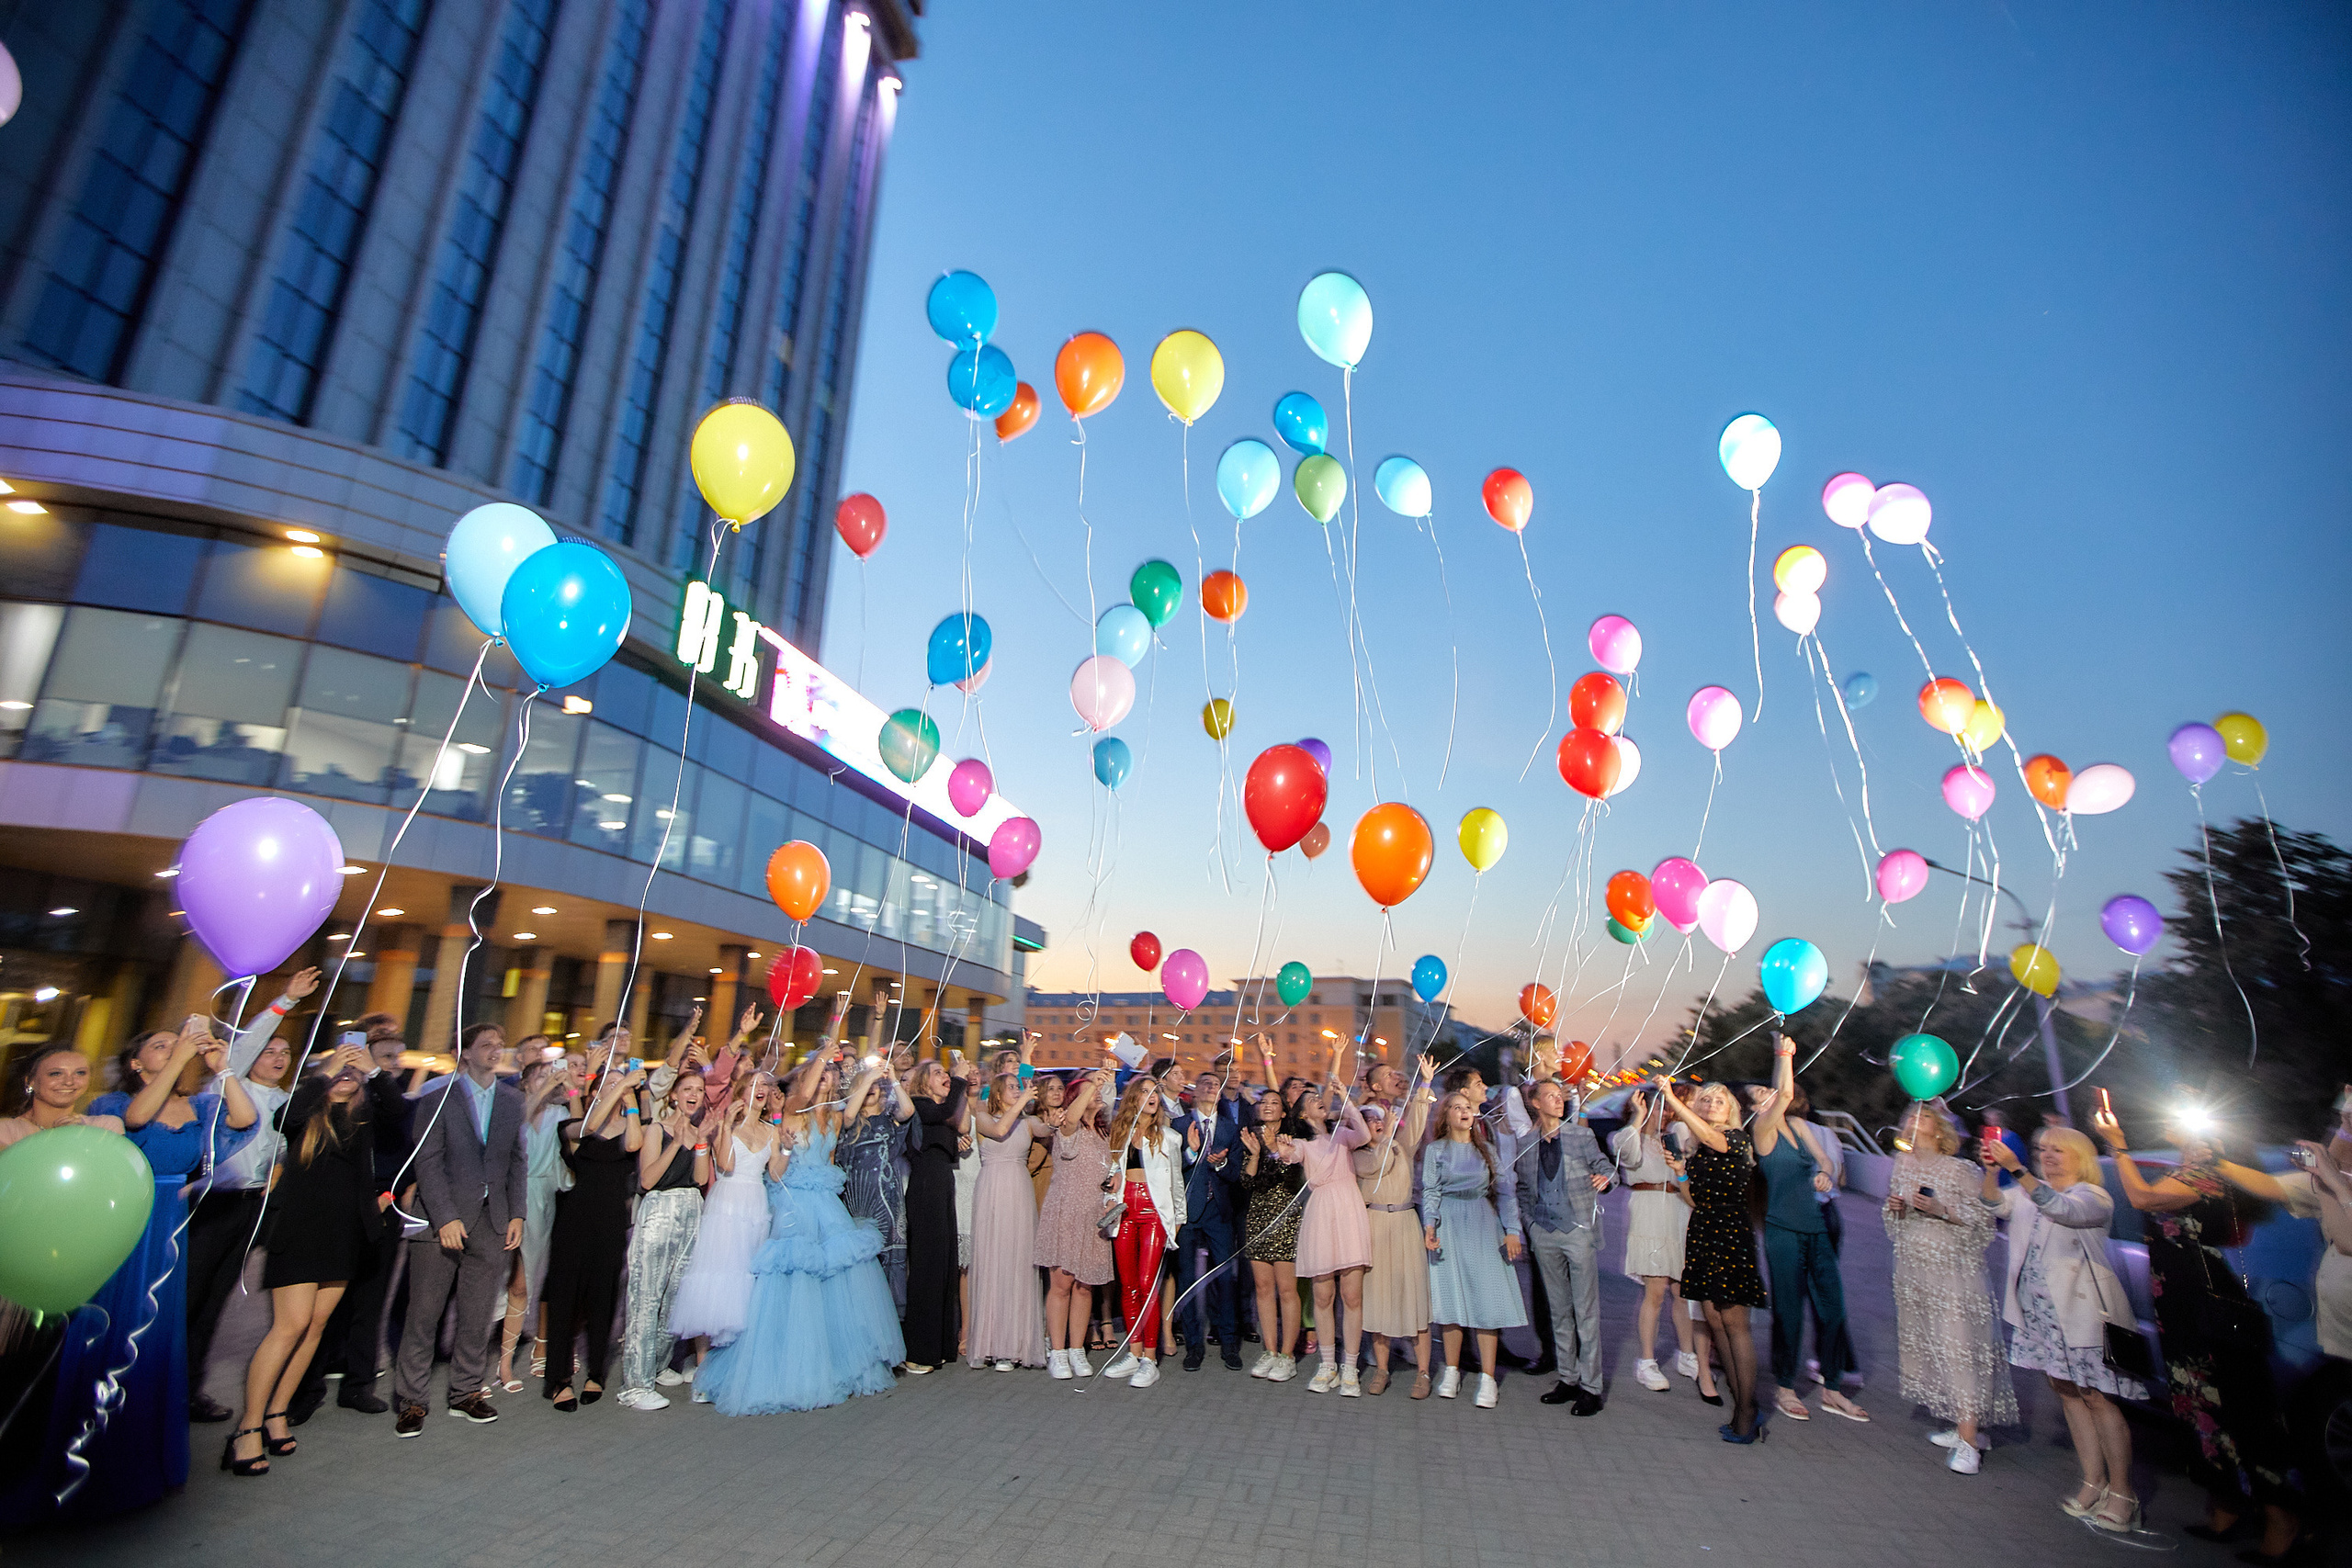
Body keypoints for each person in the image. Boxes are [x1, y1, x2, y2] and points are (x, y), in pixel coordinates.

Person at [4, 1019, 254, 1523]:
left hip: (166, 1229)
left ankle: (125, 1458)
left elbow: (245, 1122)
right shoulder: (114, 1109)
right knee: (80, 1346)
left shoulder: (181, 1110)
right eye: (58, 1074)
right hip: (104, 1235)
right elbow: (137, 1120)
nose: (72, 1082)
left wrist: (221, 1065)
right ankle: (47, 1455)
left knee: (148, 1345)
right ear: (135, 1065)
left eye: (79, 1073)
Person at [2095, 1104, 2305, 1558]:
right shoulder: (2186, 1170)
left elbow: (2144, 1200)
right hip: (2181, 1307)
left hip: (2208, 1308)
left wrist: (2118, 1146)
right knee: (2198, 1405)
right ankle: (2226, 1501)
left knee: (2240, 1408)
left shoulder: (2207, 1174)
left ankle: (2280, 1517)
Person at [697, 1054, 905, 1413]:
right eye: (820, 1072)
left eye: (831, 1073)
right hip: (793, 1202)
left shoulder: (836, 1118)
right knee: (797, 1282)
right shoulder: (795, 1108)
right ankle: (792, 1366)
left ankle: (840, 1362)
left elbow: (832, 1152)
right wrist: (830, 1038)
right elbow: (801, 1108)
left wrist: (871, 1075)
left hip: (826, 1204)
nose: (827, 1077)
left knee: (840, 1281)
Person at [224, 1043, 386, 1475]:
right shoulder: (304, 1116)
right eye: (340, 1070)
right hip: (299, 1234)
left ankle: (277, 1413)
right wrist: (323, 1071)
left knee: (314, 1328)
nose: (345, 1075)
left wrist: (377, 1072)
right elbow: (286, 1118)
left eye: (353, 1072)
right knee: (289, 1327)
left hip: (345, 1238)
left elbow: (400, 1121)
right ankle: (247, 1428)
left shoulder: (362, 1119)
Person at [1979, 1125, 2143, 1535]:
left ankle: (2123, 1493)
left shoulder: (2092, 1196)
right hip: (2039, 1317)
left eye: (2059, 1151)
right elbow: (1991, 1204)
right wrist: (1990, 1170)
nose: (2048, 1156)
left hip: (2083, 1315)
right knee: (2067, 1393)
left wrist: (2017, 1170)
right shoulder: (2026, 1191)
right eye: (2042, 1150)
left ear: (2080, 1157)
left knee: (2097, 1397)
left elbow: (2060, 1210)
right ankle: (2093, 1482)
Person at [183, 966, 319, 1423]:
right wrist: (286, 1001)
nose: (278, 1057)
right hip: (211, 1203)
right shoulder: (228, 1085)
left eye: (285, 1052)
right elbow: (242, 1047)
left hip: (251, 1208)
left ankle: (189, 1389)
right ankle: (154, 1387)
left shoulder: (288, 1103)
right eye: (270, 1049)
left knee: (215, 1304)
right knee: (187, 1297)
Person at [390, 1022, 526, 1437]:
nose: (495, 1051)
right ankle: (412, 1400)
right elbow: (427, 1161)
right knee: (424, 1313)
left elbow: (516, 1160)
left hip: (493, 1221)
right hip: (440, 1221)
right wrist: (444, 1217)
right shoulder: (438, 1096)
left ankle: (466, 1392)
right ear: (464, 1052)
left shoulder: (510, 1100)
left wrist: (517, 1212)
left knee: (478, 1314)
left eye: (500, 1045)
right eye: (486, 1045)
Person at [1883, 1100, 2016, 1474]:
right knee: (1934, 1347)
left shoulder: (1961, 1169)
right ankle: (1963, 1425)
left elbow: (1983, 1220)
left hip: (1953, 1272)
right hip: (1913, 1270)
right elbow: (1892, 1221)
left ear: (1941, 1129)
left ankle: (1971, 1443)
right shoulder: (1903, 1164)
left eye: (1924, 1114)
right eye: (1911, 1113)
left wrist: (1941, 1209)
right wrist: (1896, 1207)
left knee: (1959, 1347)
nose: (1914, 1117)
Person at [1751, 1038, 1867, 1423]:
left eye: (1767, 1089)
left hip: (1816, 1229)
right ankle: (1785, 1386)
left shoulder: (1800, 1126)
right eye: (1759, 1094)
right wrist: (1784, 1055)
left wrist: (1823, 1173)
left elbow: (1827, 1163)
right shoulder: (1763, 1130)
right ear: (1755, 1108)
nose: (1767, 1094)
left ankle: (1832, 1389)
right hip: (1783, 1230)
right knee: (1789, 1312)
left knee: (1833, 1309)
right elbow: (1785, 1091)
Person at [1656, 1075, 1769, 1442]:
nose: (1709, 1106)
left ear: (1732, 1111)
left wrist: (1672, 1099)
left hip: (1730, 1234)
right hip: (1704, 1231)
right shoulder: (1700, 1150)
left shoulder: (1734, 1139)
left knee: (1736, 1326)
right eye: (1705, 1101)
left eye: (1718, 1101)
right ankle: (1741, 1405)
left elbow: (1706, 1135)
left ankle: (1747, 1411)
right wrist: (1680, 1172)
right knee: (1716, 1324)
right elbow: (1691, 1199)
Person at [311, 1030, 417, 1415]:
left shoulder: (390, 1099)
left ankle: (358, 1385)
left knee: (369, 1303)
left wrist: (376, 1074)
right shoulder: (335, 1095)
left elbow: (398, 1114)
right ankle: (308, 1387)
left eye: (398, 1058)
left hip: (382, 1208)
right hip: (336, 1211)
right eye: (386, 1056)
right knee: (324, 1306)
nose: (394, 1064)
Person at [1510, 1076, 1615, 1415]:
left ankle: (1591, 1387)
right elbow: (1523, 1191)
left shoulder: (1581, 1136)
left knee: (1585, 1310)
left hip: (1579, 1230)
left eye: (1561, 1096)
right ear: (1536, 1103)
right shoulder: (1525, 1142)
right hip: (1544, 1232)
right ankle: (1568, 1378)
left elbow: (1606, 1168)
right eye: (1551, 1096)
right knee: (1558, 1310)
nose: (1559, 1100)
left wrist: (1606, 1178)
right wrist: (1531, 1226)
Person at [540, 1062, 640, 1409]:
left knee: (603, 1299)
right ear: (595, 1091)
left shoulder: (630, 1126)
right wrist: (621, 1082)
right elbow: (589, 1126)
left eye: (622, 1083)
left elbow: (634, 1145)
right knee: (566, 1300)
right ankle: (558, 1379)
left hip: (611, 1223)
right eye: (609, 1083)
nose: (619, 1086)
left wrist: (631, 1100)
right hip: (574, 1221)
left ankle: (597, 1371)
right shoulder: (574, 1126)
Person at [1420, 1088, 1527, 1410]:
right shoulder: (1436, 1150)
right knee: (1450, 1297)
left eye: (1468, 1107)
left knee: (1486, 1299)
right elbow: (1430, 1191)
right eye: (1456, 1107)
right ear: (1446, 1115)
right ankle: (1451, 1371)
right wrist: (1429, 1225)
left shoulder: (1488, 1152)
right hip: (1449, 1225)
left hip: (1482, 1222)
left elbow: (1507, 1193)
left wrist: (1512, 1231)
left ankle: (1488, 1377)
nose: (1464, 1111)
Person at [669, 1074, 780, 1376]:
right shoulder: (724, 1126)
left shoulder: (772, 1129)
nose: (761, 1091)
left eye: (765, 1086)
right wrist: (729, 1128)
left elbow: (776, 1172)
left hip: (756, 1204)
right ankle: (704, 1363)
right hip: (728, 1202)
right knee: (715, 1274)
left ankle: (734, 1357)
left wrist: (787, 1148)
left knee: (746, 1277)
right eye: (754, 1085)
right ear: (742, 1091)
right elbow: (726, 1165)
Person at [1282, 1042, 1373, 1395]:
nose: (1319, 1100)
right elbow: (1285, 1156)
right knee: (1322, 1297)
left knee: (1352, 1296)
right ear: (1303, 1114)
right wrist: (1280, 1147)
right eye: (1311, 1100)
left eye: (1319, 1098)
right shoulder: (1304, 1144)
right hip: (1321, 1212)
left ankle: (1350, 1368)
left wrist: (1344, 1096)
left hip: (1348, 1209)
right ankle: (1327, 1364)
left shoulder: (1341, 1136)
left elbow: (1364, 1133)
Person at [616, 1065, 710, 1409]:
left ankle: (656, 1365)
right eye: (688, 1089)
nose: (693, 1095)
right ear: (673, 1094)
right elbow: (647, 1180)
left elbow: (700, 1179)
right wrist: (677, 1142)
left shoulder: (700, 1131)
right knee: (647, 1296)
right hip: (659, 1211)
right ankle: (635, 1385)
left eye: (699, 1090)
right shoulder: (656, 1129)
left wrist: (698, 1142)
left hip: (690, 1211)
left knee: (675, 1297)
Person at [964, 1052, 1050, 1370]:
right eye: (1012, 1086)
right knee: (992, 1263)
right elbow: (1000, 1130)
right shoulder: (983, 1114)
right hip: (991, 1192)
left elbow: (1054, 1126)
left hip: (1018, 1191)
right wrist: (1023, 1100)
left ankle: (1014, 1346)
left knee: (1017, 1264)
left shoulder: (1028, 1122)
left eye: (1020, 1086)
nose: (1017, 1089)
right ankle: (989, 1343)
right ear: (998, 1092)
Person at [1356, 1055, 1435, 1395]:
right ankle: (1382, 1368)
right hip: (1374, 1222)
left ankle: (1424, 1372)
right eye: (1387, 1076)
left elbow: (1414, 1130)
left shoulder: (1400, 1136)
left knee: (1413, 1295)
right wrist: (1385, 1133)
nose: (1379, 1121)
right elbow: (1377, 1165)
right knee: (1378, 1298)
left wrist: (1425, 1086)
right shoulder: (1360, 1147)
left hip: (1405, 1221)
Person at [1102, 1069, 1186, 1388]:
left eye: (1156, 1092)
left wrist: (1177, 1220)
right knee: (1128, 1285)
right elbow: (1111, 1173)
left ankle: (1150, 1358)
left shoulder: (1169, 1137)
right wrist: (1109, 1196)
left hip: (1154, 1212)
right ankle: (1134, 1352)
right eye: (1146, 1091)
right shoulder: (1119, 1133)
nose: (1152, 1097)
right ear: (1134, 1097)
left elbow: (1176, 1183)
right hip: (1124, 1210)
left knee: (1148, 1283)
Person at [1612, 1087, 1696, 1394]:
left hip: (1678, 1211)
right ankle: (1646, 1361)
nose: (1665, 1113)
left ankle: (1687, 1354)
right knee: (1656, 1291)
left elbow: (1693, 1149)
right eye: (1658, 1107)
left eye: (1667, 1108)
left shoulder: (1674, 1136)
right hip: (1648, 1211)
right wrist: (1638, 1118)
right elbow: (1626, 1153)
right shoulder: (1629, 1136)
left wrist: (1679, 1123)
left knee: (1683, 1290)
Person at [1035, 1066, 1116, 1378]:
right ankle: (1057, 1351)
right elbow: (1070, 1117)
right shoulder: (1067, 1129)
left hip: (1093, 1216)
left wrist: (1112, 1183)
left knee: (1085, 1286)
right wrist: (1090, 1084)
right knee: (1062, 1283)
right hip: (1066, 1211)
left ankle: (1077, 1349)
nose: (1095, 1094)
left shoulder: (1101, 1132)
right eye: (1087, 1092)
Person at [496, 1045, 568, 1392]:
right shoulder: (511, 1106)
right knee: (492, 1280)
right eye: (540, 1076)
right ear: (525, 1082)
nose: (547, 1080)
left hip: (540, 1200)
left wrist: (568, 1087)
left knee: (522, 1284)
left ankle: (505, 1363)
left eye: (549, 1076)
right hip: (507, 1193)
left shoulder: (558, 1113)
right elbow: (510, 1128)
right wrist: (542, 1088)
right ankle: (485, 1359)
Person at [1234, 1060, 1308, 1382]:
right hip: (1258, 1216)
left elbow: (1292, 1179)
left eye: (1274, 1103)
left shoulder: (1294, 1137)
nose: (1267, 1106)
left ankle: (1288, 1355)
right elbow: (1247, 1184)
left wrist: (1276, 1151)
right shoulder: (1251, 1139)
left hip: (1288, 1217)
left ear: (1283, 1112)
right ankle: (1270, 1349)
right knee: (1263, 1289)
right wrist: (1253, 1154)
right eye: (1263, 1102)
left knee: (1287, 1290)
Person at [1171, 1066, 1245, 1371]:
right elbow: (1170, 1167)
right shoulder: (1178, 1124)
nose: (1211, 1087)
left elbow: (1237, 1170)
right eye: (1205, 1083)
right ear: (1195, 1091)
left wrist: (1222, 1162)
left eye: (1216, 1083)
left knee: (1226, 1280)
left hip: (1220, 1213)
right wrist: (1190, 1152)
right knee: (1187, 1281)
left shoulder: (1229, 1127)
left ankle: (1229, 1343)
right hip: (1188, 1212)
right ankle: (1193, 1346)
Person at [901, 1058, 971, 1373]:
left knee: (944, 1265)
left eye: (946, 1072)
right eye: (938, 1073)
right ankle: (917, 1351)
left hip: (942, 1182)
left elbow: (958, 1123)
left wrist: (960, 1089)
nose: (944, 1076)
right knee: (927, 1267)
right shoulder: (920, 1104)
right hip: (926, 1185)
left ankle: (938, 1346)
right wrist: (958, 1079)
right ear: (923, 1082)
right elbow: (943, 1114)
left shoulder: (939, 1111)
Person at [837, 1054, 913, 1314]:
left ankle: (890, 1322)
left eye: (874, 1086)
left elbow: (908, 1111)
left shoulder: (889, 1117)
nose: (871, 1089)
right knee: (862, 1262)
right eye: (864, 1086)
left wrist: (893, 1080)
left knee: (889, 1260)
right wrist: (869, 1076)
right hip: (857, 1203)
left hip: (888, 1201)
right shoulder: (848, 1122)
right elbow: (848, 1114)